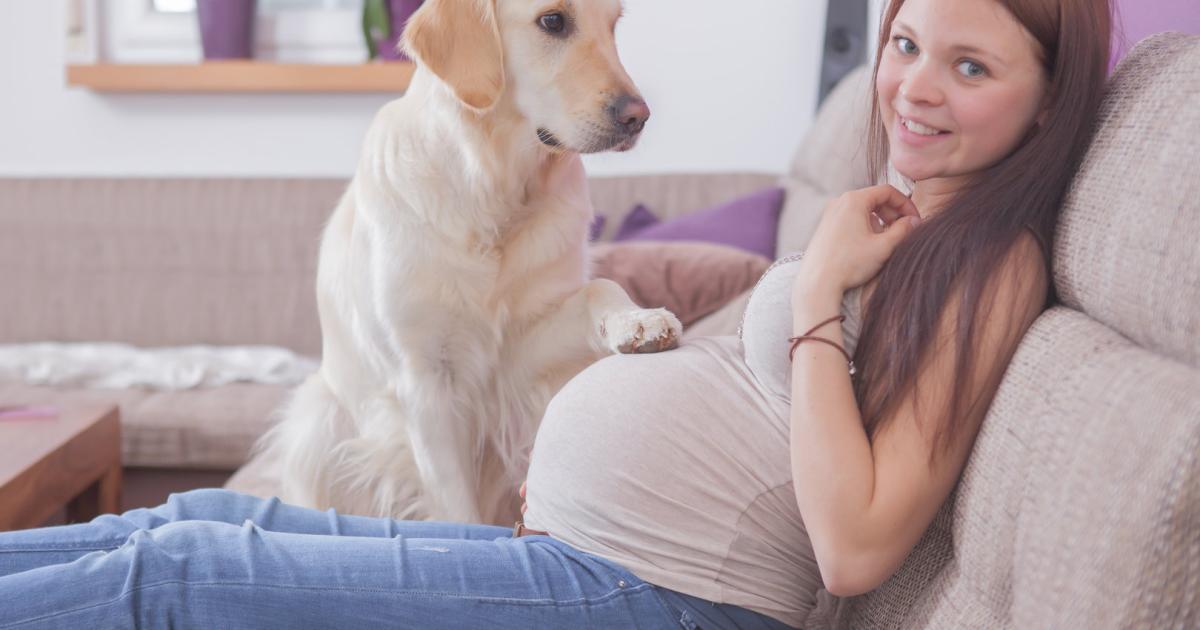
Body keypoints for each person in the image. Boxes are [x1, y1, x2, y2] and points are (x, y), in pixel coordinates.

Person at [0, 0, 1112, 627]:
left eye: (969, 67)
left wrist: (815, 287)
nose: (914, 89)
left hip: (649, 596)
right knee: (180, 527)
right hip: (594, 549)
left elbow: (858, 546)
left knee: (177, 580)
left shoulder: (995, 263)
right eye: (907, 47)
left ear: (1051, 97)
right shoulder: (899, 214)